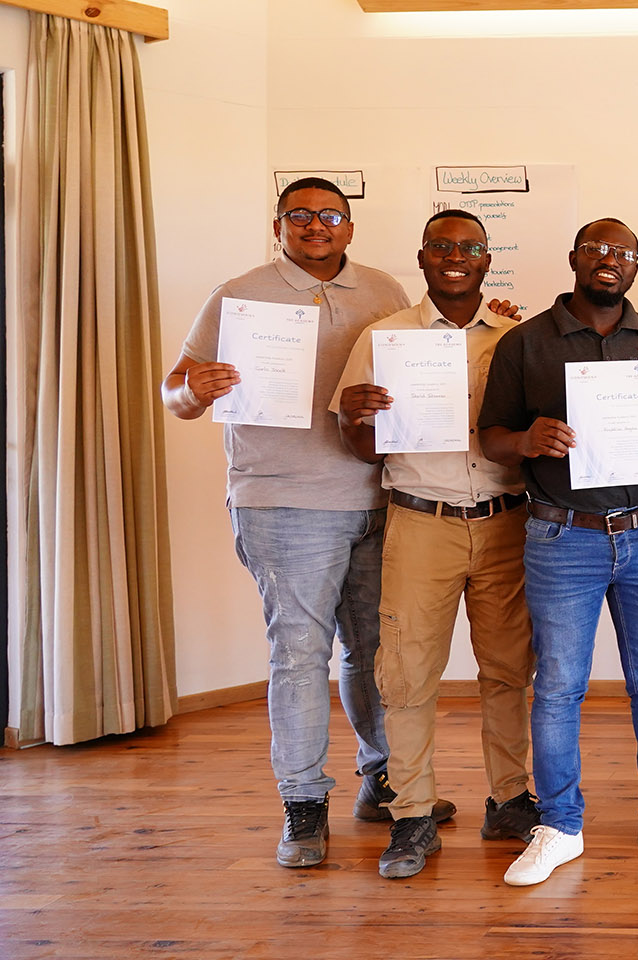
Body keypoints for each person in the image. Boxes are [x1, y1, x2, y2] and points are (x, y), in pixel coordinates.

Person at [161, 177, 417, 868]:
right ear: (278, 225)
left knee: (374, 654)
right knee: (299, 656)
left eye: (329, 215)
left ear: (350, 227)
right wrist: (194, 387)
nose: (314, 225)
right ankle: (304, 806)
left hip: (379, 496)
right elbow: (174, 392)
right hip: (283, 502)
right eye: (299, 215)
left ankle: (381, 780)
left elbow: (412, 370)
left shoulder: (384, 290)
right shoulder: (238, 293)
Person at [479, 217, 638, 886]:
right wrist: (526, 438)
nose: (609, 260)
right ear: (574, 259)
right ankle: (559, 826)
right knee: (559, 685)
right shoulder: (526, 343)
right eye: (597, 249)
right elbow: (490, 437)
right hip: (564, 537)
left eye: (623, 252)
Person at [329, 210, 535, 879]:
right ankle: (412, 814)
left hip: (506, 521)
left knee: (508, 670)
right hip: (420, 521)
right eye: (441, 247)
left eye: (468, 247)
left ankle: (508, 799)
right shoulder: (383, 338)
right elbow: (361, 447)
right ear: (422, 258)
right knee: (409, 674)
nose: (455, 257)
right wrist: (360, 416)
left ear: (485, 259)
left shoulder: (516, 338)